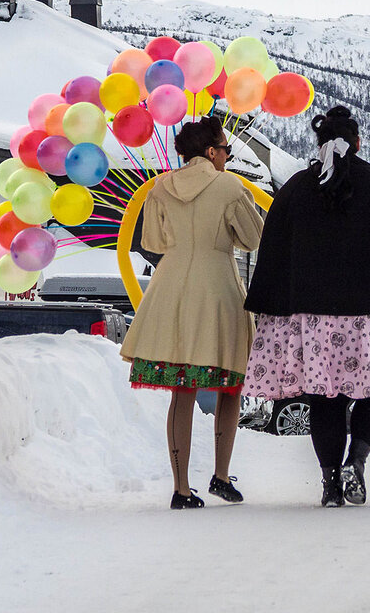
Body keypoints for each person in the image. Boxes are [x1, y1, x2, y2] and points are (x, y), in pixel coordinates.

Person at [243, 105, 370, 507]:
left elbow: (273, 257)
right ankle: (358, 457)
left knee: (324, 400)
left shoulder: (295, 192)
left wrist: (271, 306)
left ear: (319, 145)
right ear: (357, 142)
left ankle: (329, 481)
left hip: (313, 320)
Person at [120, 116, 263, 510]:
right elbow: (252, 238)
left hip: (170, 287)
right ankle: (220, 475)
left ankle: (180, 487)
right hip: (217, 286)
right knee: (229, 384)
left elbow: (152, 241)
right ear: (212, 152)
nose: (227, 158)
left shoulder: (160, 187)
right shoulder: (230, 186)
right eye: (226, 151)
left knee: (181, 389)